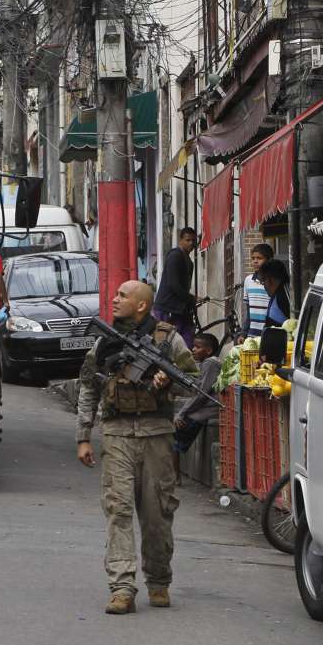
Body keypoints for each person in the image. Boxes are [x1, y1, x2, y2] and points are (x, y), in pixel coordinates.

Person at [76, 280, 199, 615]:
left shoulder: (168, 339)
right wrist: (84, 436)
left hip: (156, 434)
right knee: (119, 511)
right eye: (115, 295)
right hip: (116, 435)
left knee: (158, 514)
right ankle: (122, 587)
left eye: (122, 296)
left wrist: (168, 382)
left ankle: (159, 581)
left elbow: (194, 382)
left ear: (142, 305)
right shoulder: (105, 341)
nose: (114, 300)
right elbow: (88, 386)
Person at [173, 332, 222, 454]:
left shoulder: (210, 363)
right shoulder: (206, 363)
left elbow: (201, 393)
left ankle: (174, 468)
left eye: (198, 347)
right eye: (193, 346)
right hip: (205, 409)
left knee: (175, 442)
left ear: (209, 350)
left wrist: (182, 413)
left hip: (208, 410)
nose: (193, 349)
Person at [153, 227, 198, 346]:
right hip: (167, 308)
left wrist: (190, 301)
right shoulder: (175, 256)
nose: (191, 243)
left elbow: (184, 287)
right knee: (166, 345)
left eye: (193, 241)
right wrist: (191, 298)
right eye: (187, 240)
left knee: (185, 341)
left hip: (180, 309)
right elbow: (173, 284)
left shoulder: (189, 261)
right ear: (181, 241)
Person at [240, 243, 274, 341]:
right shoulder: (248, 280)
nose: (255, 261)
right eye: (253, 258)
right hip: (252, 335)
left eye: (259, 258)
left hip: (269, 334)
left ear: (269, 260)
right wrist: (243, 333)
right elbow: (249, 313)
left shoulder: (274, 282)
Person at [257, 259, 291, 329]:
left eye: (263, 282)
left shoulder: (284, 297)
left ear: (270, 280)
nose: (264, 287)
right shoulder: (277, 294)